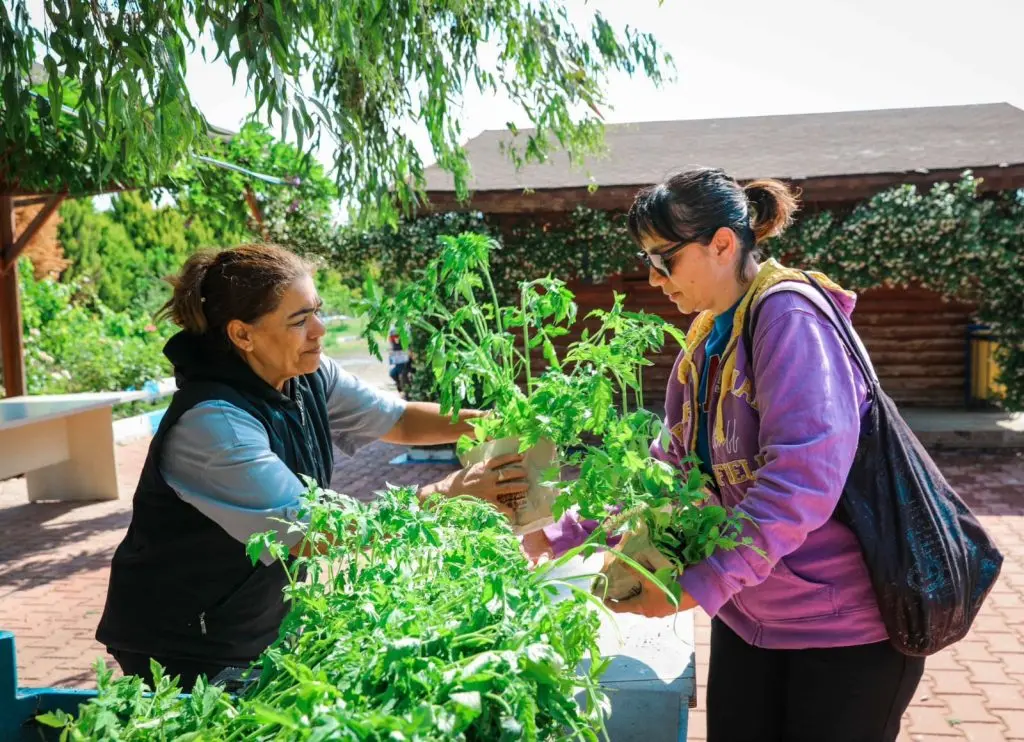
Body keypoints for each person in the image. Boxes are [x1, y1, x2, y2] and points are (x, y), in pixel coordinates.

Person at [536, 168, 925, 742]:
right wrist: (568, 534)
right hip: (752, 618)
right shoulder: (706, 339)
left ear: (722, 244)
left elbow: (802, 478)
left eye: (663, 258)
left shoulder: (789, 316)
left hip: (841, 631)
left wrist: (706, 580)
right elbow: (668, 471)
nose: (654, 277)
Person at [96, 244, 528, 690]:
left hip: (250, 620)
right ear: (243, 335)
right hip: (183, 640)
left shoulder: (306, 375)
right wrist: (446, 495)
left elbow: (396, 419)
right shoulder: (214, 424)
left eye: (316, 312)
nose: (319, 330)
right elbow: (312, 531)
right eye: (299, 320)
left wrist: (496, 424)